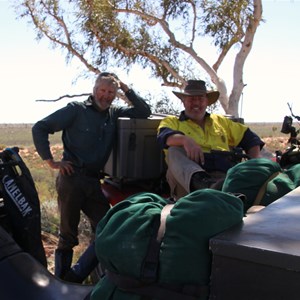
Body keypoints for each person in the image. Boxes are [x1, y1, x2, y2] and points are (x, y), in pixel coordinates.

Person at [32, 72, 151, 280]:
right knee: (68, 235)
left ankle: (77, 276)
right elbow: (40, 127)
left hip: (94, 181)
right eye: (103, 90)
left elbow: (144, 111)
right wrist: (51, 161)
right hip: (71, 178)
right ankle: (61, 281)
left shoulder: (114, 113)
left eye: (111, 92)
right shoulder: (75, 110)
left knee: (108, 227)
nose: (106, 96)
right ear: (95, 90)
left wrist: (126, 87)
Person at [157, 79, 265, 200]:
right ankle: (206, 187)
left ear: (207, 101)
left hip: (223, 178)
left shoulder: (220, 121)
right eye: (192, 99)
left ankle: (219, 192)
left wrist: (253, 164)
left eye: (200, 98)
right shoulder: (172, 122)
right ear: (183, 101)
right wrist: (185, 140)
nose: (196, 103)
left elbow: (250, 137)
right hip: (186, 184)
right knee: (174, 151)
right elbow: (164, 137)